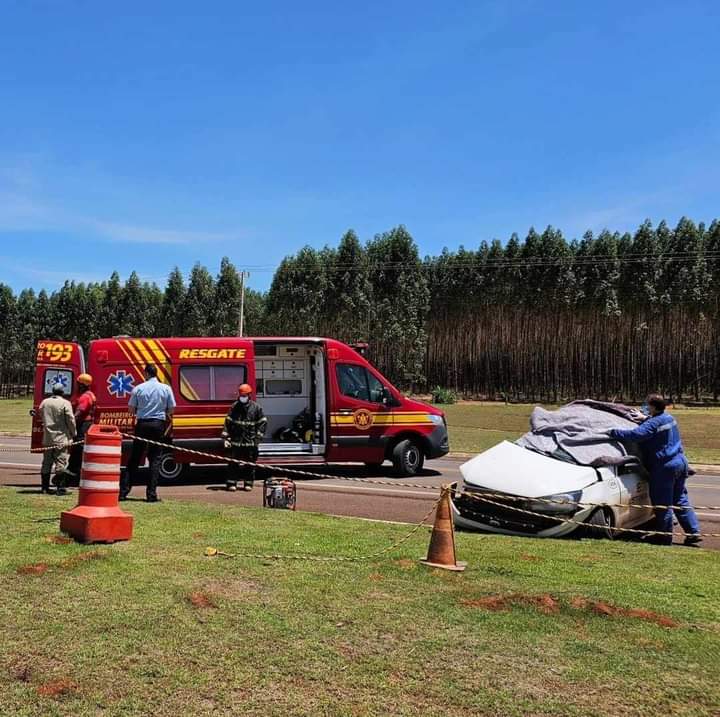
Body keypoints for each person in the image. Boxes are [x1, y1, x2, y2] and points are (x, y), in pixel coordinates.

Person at [609, 394, 701, 546]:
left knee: (662, 503)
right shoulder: (668, 418)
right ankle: (693, 532)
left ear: (652, 406)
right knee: (679, 498)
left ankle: (664, 537)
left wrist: (613, 432)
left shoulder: (654, 422)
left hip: (665, 467)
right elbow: (655, 425)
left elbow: (635, 435)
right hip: (680, 461)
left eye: (647, 405)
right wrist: (645, 418)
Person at [121, 364, 176, 502]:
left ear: (146, 373)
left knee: (134, 458)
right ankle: (151, 495)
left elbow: (131, 410)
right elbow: (171, 409)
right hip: (158, 424)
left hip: (142, 424)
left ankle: (123, 492)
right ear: (156, 373)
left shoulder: (138, 389)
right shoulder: (166, 388)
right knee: (155, 459)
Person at [221, 383, 267, 491]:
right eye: (241, 395)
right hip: (236, 442)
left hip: (250, 442)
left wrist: (257, 438)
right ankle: (231, 484)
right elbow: (228, 422)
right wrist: (225, 438)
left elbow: (263, 423)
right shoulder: (234, 407)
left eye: (244, 395)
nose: (243, 397)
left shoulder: (256, 408)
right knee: (233, 464)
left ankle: (248, 484)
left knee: (250, 464)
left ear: (249, 395)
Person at [38, 382, 77, 495]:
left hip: (47, 437)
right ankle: (60, 488)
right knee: (61, 462)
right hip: (61, 437)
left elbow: (41, 413)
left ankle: (44, 488)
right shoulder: (65, 403)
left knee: (46, 463)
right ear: (62, 392)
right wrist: (73, 433)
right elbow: (70, 419)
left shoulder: (44, 402)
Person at [67, 373, 96, 479]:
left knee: (78, 450)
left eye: (78, 383)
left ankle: (74, 471)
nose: (76, 385)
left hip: (83, 425)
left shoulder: (85, 397)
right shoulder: (90, 394)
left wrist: (70, 423)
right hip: (86, 424)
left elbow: (79, 413)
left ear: (82, 385)